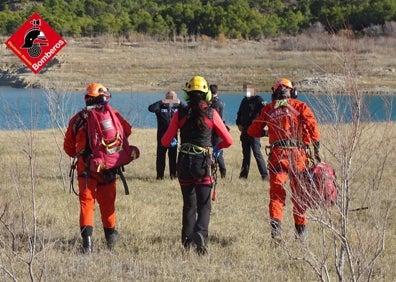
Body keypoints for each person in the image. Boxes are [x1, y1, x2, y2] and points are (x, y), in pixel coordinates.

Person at [161, 76, 233, 255]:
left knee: (189, 205)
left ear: (188, 94)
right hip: (203, 163)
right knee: (205, 205)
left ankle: (187, 243)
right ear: (206, 94)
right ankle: (200, 234)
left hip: (184, 163)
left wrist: (176, 140)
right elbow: (229, 140)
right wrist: (216, 148)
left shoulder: (180, 114)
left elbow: (165, 141)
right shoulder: (212, 113)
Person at [247, 78, 321, 241]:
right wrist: (316, 151)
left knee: (276, 196)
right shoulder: (300, 106)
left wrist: (268, 133)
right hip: (298, 156)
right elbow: (313, 129)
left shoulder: (268, 109)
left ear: (274, 94)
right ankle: (301, 234)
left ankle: (276, 234)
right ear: (292, 92)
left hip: (278, 156)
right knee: (300, 195)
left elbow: (252, 130)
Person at [64, 83, 133, 253]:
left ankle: (87, 244)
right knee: (108, 204)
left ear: (87, 98)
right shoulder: (113, 115)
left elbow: (68, 148)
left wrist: (81, 153)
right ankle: (111, 239)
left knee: (86, 204)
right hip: (109, 167)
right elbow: (127, 131)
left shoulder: (78, 119)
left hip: (85, 169)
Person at [235, 82, 268, 180]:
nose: (246, 92)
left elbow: (266, 111)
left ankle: (265, 176)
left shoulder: (259, 100)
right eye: (245, 90)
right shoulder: (244, 101)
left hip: (254, 132)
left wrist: (259, 125)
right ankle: (243, 176)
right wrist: (238, 123)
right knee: (246, 155)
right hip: (244, 132)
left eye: (248, 90)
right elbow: (239, 114)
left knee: (257, 153)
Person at [148, 91, 183, 180]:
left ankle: (173, 175)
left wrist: (180, 103)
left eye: (173, 98)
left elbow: (188, 111)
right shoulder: (160, 107)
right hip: (162, 136)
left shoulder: (177, 107)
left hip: (173, 137)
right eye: (169, 97)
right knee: (160, 157)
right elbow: (151, 108)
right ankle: (160, 176)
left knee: (173, 157)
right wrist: (162, 102)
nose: (171, 100)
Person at [209, 84, 227, 178]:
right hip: (215, 132)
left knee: (217, 153)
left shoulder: (215, 104)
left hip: (216, 132)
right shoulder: (218, 102)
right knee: (212, 154)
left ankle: (223, 172)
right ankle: (212, 173)